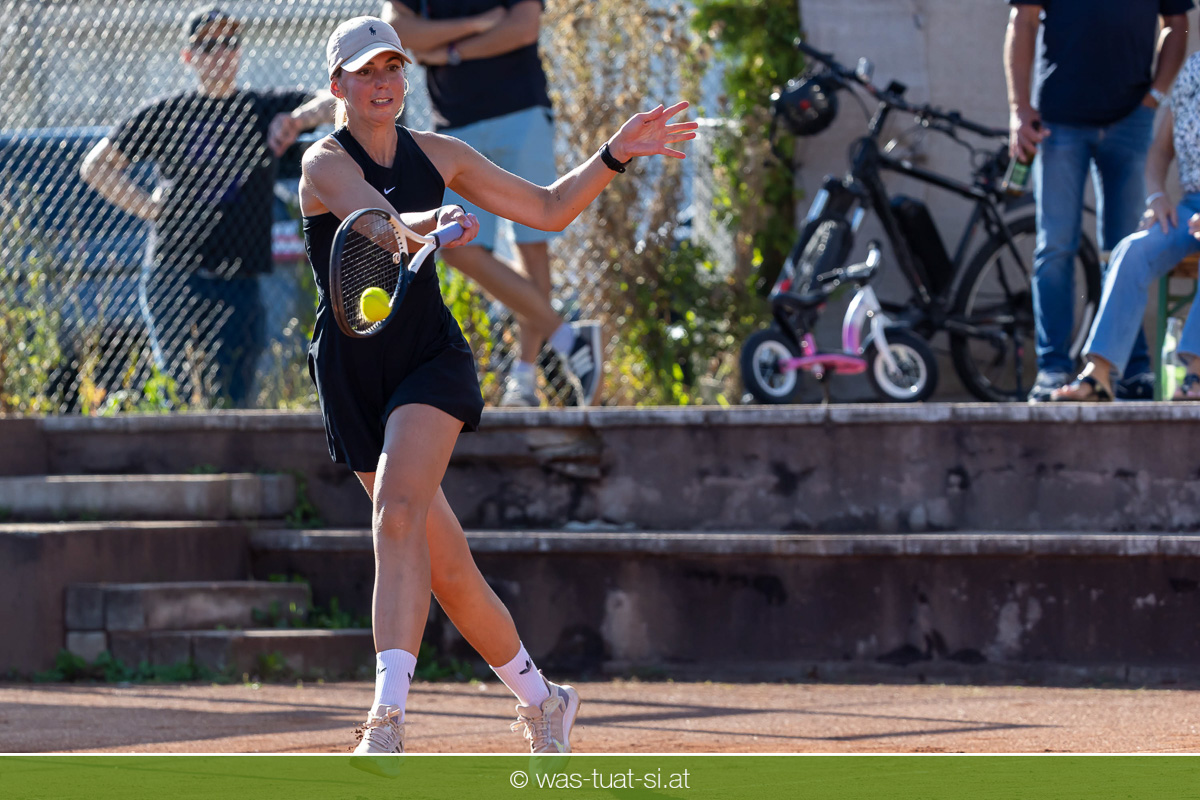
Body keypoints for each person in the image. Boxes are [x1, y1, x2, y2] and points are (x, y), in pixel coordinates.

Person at [300, 17, 694, 757]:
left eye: (392, 67)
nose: (383, 82)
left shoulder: (441, 153)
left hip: (426, 360)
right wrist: (435, 219)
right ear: (338, 87)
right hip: (351, 370)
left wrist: (615, 152)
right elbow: (378, 225)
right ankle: (546, 701)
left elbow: (547, 208)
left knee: (396, 512)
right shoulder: (323, 160)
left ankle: (386, 720)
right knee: (445, 566)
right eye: (365, 71)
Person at [80, 6, 336, 408]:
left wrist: (296, 120)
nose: (221, 53)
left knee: (235, 397)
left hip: (241, 278)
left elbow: (337, 103)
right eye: (208, 45)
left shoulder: (262, 109)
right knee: (181, 395)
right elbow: (96, 165)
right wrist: (149, 208)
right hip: (176, 273)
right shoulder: (167, 114)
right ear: (189, 56)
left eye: (229, 43)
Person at [382, 0, 600, 408]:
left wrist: (448, 52)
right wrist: (478, 24)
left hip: (521, 113)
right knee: (456, 247)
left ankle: (525, 380)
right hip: (454, 125)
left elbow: (522, 27)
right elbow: (399, 31)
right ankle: (568, 338)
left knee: (532, 245)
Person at [1005, 0, 1191, 402]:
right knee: (1056, 247)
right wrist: (1020, 108)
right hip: (1058, 120)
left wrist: (1155, 96)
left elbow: (1176, 22)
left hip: (1131, 118)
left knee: (1126, 249)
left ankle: (1130, 370)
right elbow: (1023, 20)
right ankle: (1053, 368)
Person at [1051, 47, 1200, 402]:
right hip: (1190, 207)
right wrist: (1156, 196)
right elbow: (1160, 151)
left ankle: (1196, 374)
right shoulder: (1193, 71)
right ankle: (1098, 375)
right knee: (1131, 250)